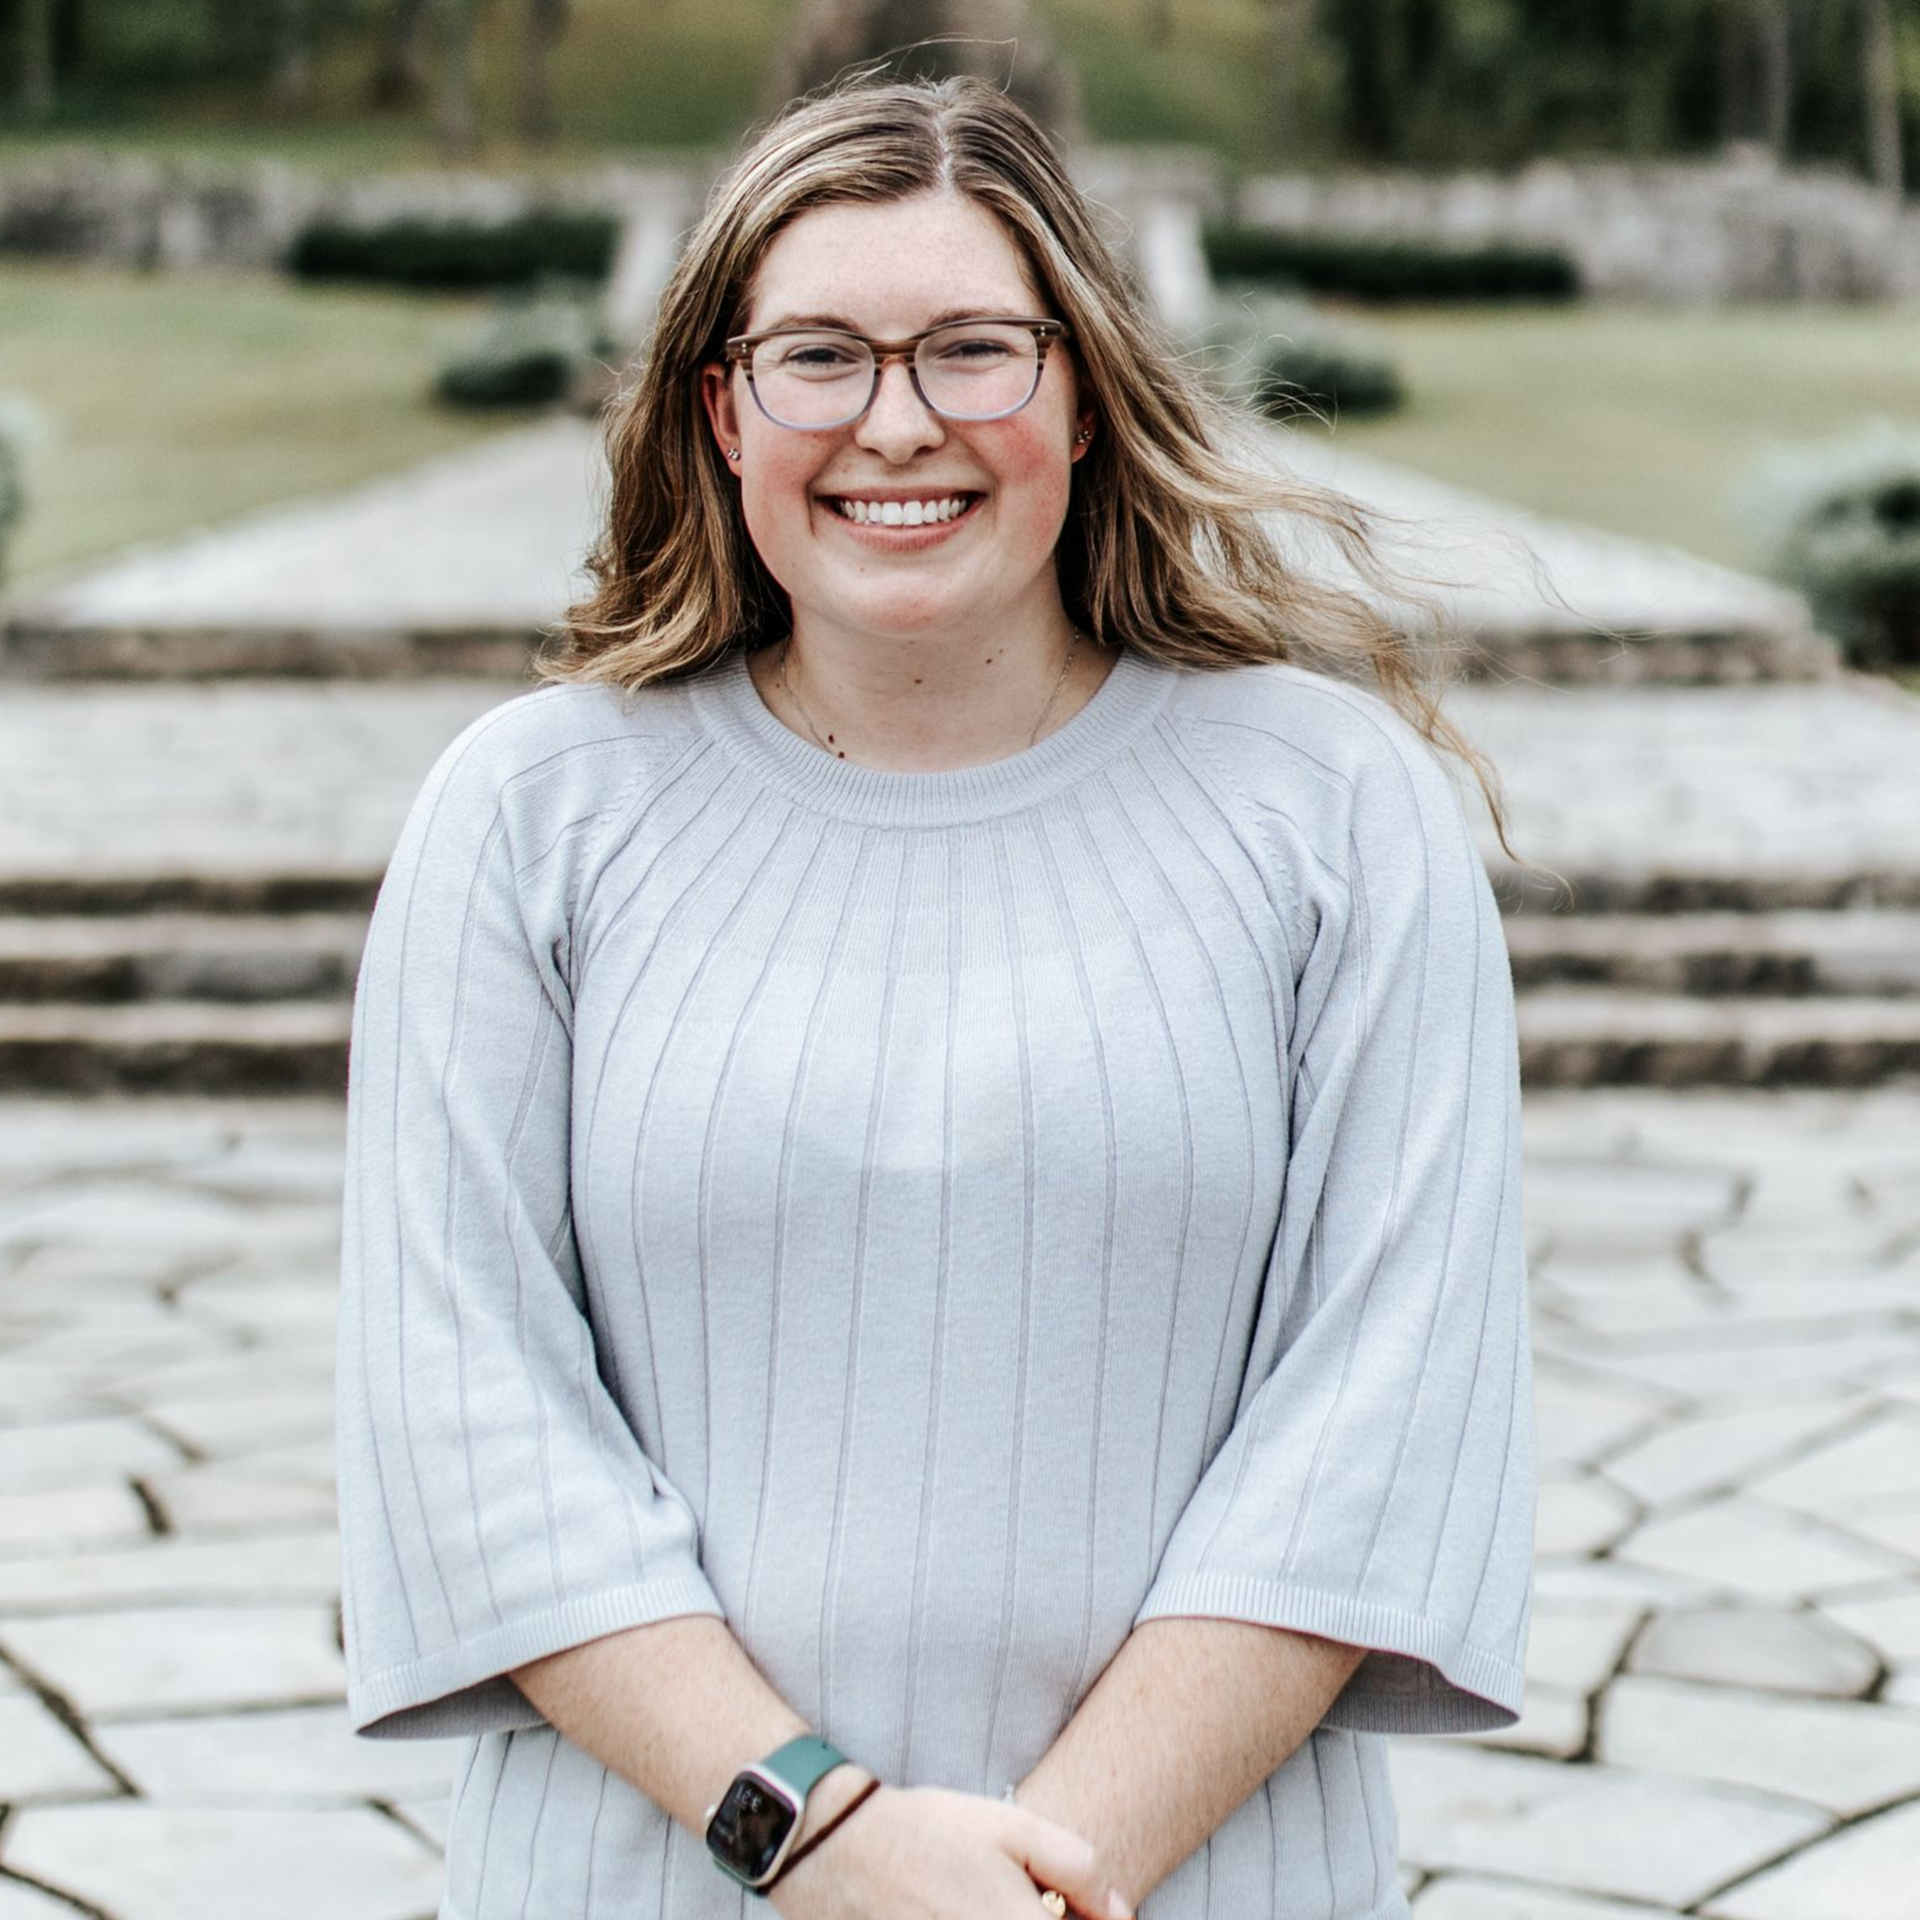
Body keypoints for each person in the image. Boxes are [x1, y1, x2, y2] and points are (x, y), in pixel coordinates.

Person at [335, 73, 1534, 1920]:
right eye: (817, 356)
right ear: (724, 409)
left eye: (974, 348)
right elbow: (466, 1413)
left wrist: (1031, 1890)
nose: (896, 422)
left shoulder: (1336, 810)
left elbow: (1379, 1420)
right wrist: (819, 1837)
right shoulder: (527, 816)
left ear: (1084, 389)